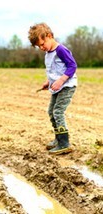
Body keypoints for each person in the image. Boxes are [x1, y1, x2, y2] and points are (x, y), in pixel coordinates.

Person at [28, 23, 77, 155]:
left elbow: (72, 66)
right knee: (51, 111)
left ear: (49, 36)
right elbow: (54, 71)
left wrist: (61, 80)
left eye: (42, 44)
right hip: (57, 87)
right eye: (39, 46)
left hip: (66, 86)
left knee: (58, 111)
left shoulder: (60, 50)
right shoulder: (48, 53)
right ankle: (58, 138)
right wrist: (49, 82)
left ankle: (64, 143)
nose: (41, 47)